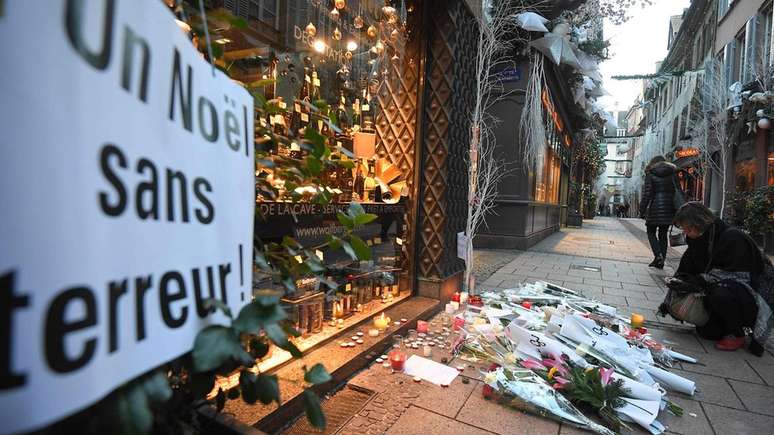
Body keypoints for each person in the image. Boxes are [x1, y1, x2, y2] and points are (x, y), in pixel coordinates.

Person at [669, 202, 765, 352]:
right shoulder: (698, 240)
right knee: (707, 333)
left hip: (744, 294)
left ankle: (737, 333)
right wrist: (676, 289)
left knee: (720, 293)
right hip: (714, 292)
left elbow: (738, 275)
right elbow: (685, 269)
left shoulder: (732, 237)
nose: (685, 233)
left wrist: (701, 280)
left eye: (687, 228)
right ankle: (724, 325)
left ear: (698, 223)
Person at [639, 156, 679, 269]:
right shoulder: (672, 173)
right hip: (669, 207)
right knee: (663, 234)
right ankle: (661, 261)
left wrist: (642, 210)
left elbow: (647, 194)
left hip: (655, 208)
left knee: (651, 232)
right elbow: (678, 191)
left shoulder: (650, 174)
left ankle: (658, 256)